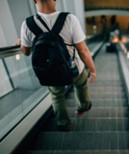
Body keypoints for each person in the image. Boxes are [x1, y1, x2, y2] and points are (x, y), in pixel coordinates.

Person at [16, 0, 96, 131]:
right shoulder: (69, 19)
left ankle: (63, 124)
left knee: (57, 96)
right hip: (73, 67)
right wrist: (92, 70)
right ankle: (83, 107)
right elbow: (83, 50)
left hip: (50, 70)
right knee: (81, 85)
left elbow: (26, 52)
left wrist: (20, 42)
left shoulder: (27, 24)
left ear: (35, 1)